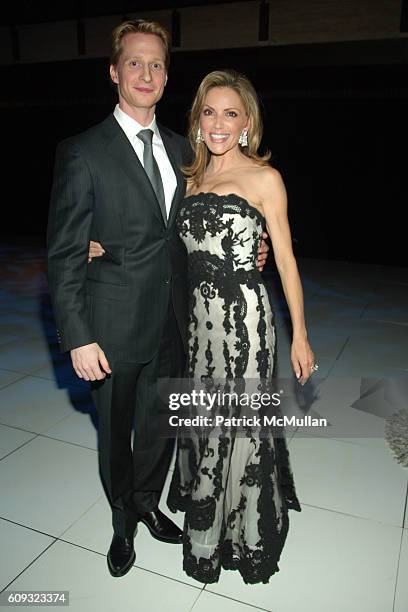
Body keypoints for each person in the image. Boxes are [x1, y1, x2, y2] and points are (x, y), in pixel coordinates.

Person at [47, 20, 269, 580]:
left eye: (156, 65)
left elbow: (205, 222)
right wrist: (77, 335)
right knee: (116, 435)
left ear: (167, 77)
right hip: (112, 327)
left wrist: (252, 248)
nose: (145, 74)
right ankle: (123, 521)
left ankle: (148, 501)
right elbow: (64, 252)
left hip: (176, 325)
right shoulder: (82, 152)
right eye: (134, 63)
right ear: (114, 71)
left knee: (159, 429)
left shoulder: (183, 150)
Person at [89, 68, 316, 584]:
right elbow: (148, 233)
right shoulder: (189, 179)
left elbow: (283, 260)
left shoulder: (265, 178)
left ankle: (246, 533)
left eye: (230, 113)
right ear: (197, 121)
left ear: (246, 123)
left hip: (246, 326)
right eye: (209, 112)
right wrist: (95, 241)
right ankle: (207, 527)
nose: (218, 122)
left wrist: (300, 333)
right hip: (195, 329)